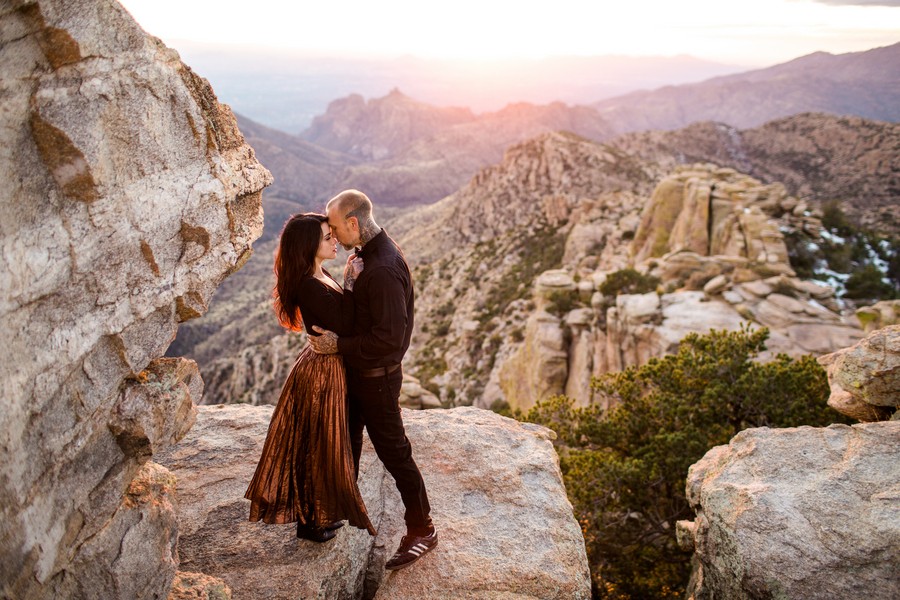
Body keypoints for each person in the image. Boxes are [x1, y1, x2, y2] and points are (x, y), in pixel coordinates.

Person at [308, 189, 437, 571]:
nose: (331, 234)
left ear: (352, 223)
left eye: (333, 227)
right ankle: (335, 509)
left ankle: (423, 529)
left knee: (394, 452)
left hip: (377, 379)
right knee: (344, 441)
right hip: (358, 373)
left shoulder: (382, 269)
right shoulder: (366, 254)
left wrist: (337, 345)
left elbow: (389, 338)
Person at [244, 213, 375, 543]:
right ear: (308, 246)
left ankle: (317, 514)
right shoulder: (308, 283)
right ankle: (312, 520)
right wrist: (352, 280)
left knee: (324, 443)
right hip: (322, 372)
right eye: (326, 236)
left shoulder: (320, 273)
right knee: (320, 444)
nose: (334, 240)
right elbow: (346, 323)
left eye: (332, 234)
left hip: (326, 365)